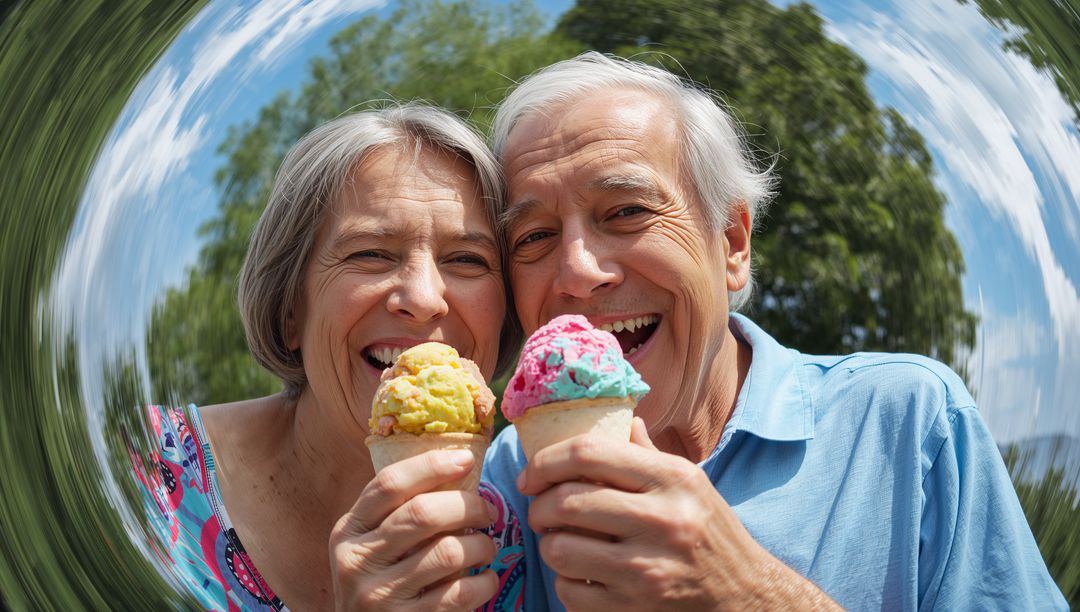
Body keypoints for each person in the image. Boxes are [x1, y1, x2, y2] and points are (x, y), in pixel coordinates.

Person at [482, 52, 1067, 610]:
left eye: (627, 211)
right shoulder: (506, 477)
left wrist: (749, 595)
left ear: (733, 243)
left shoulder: (907, 423)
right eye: (534, 237)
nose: (579, 272)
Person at [133, 104, 526, 610]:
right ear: (290, 307)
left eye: (467, 259)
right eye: (370, 253)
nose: (425, 297)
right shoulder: (134, 477)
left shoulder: (524, 540)